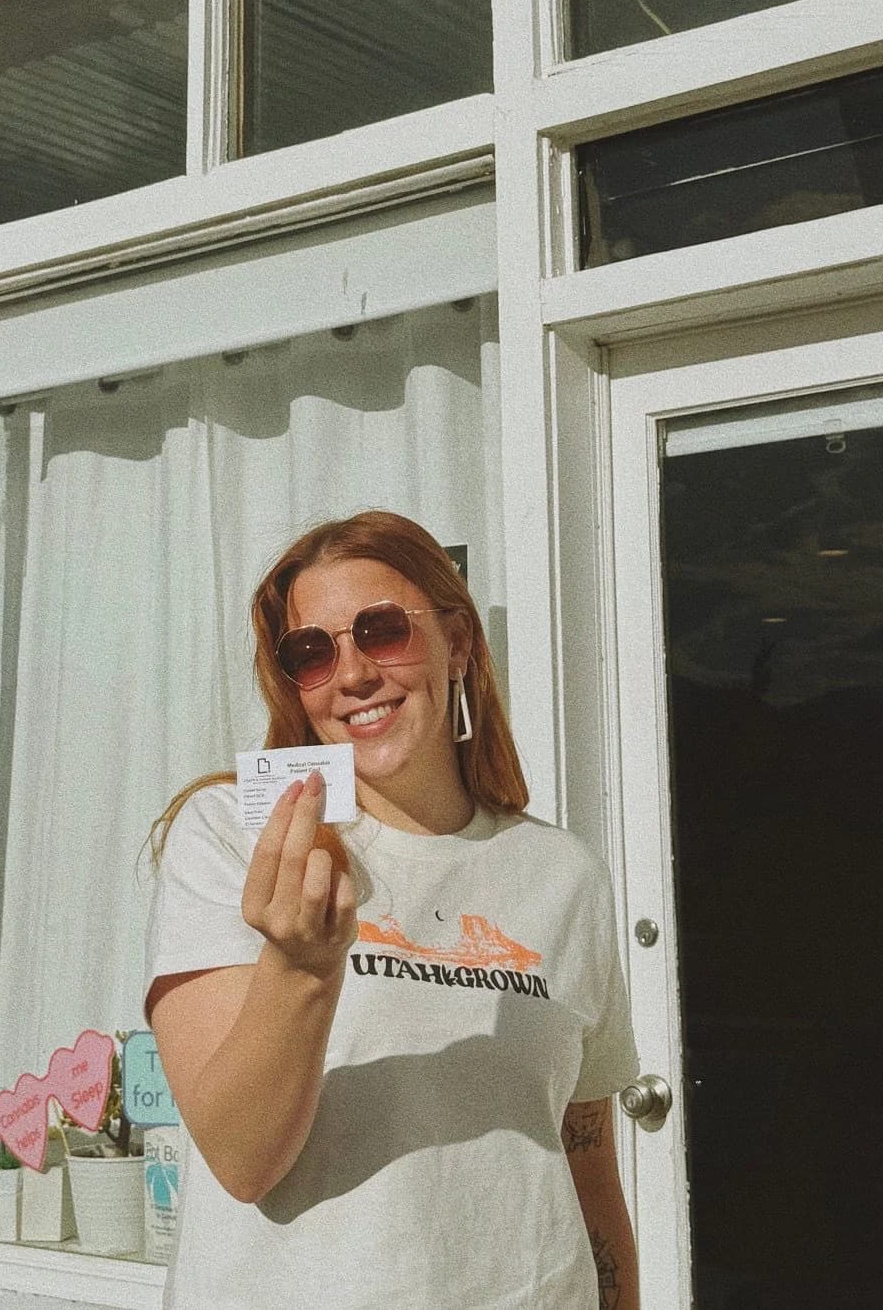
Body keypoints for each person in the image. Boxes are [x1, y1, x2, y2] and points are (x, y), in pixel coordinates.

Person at [144, 510, 640, 1309]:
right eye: (312, 652)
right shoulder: (236, 837)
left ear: (459, 643)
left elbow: (587, 1168)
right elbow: (242, 1158)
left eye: (381, 632)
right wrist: (302, 968)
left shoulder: (565, 875)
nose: (351, 674)